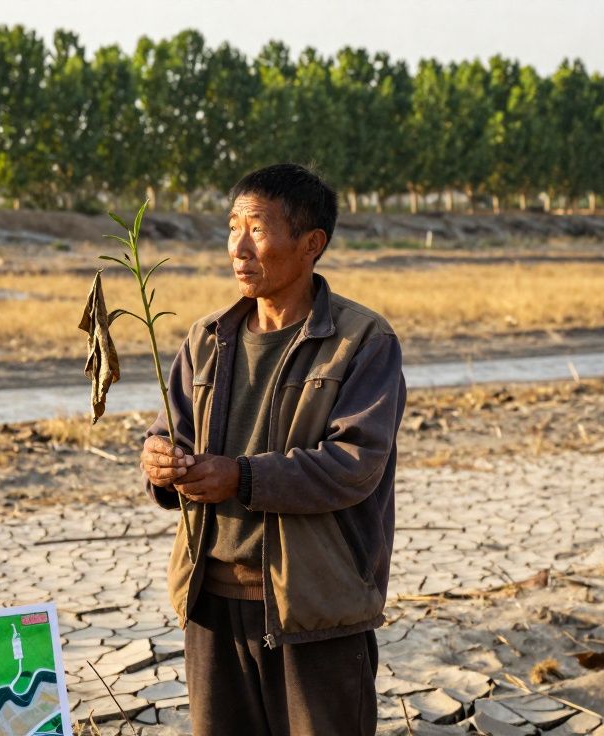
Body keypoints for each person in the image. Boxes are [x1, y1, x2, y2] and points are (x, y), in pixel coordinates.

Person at [139, 163, 406, 736]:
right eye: (232, 226)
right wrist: (161, 463)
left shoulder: (363, 342)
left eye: (256, 229)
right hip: (210, 604)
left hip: (314, 611)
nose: (238, 247)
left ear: (311, 244)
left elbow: (353, 466)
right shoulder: (207, 338)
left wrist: (241, 478)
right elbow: (172, 434)